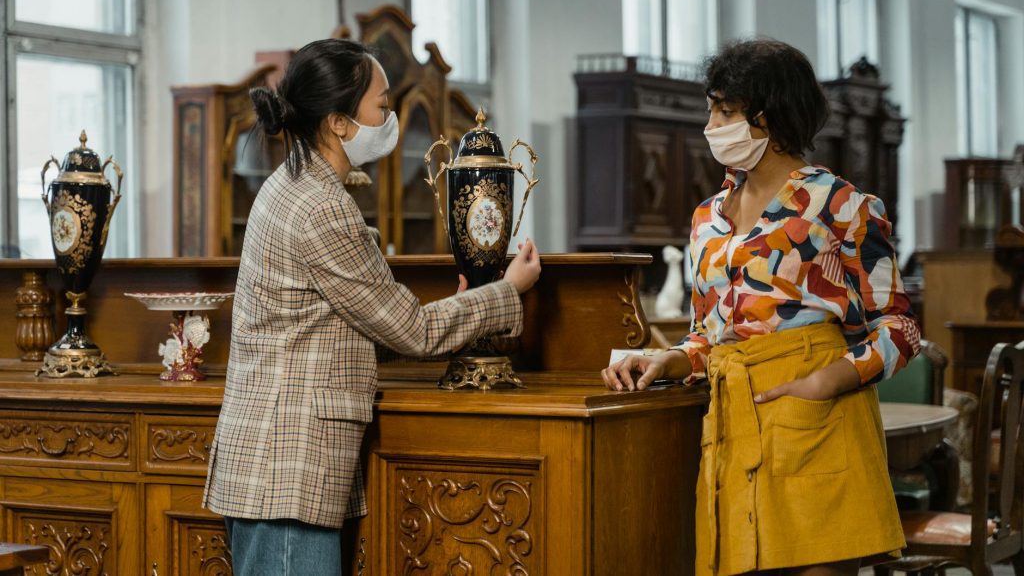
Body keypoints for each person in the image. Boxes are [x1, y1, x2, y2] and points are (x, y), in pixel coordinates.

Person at [203, 38, 541, 575]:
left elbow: (362, 319)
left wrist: (463, 306)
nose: (390, 117)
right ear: (338, 123)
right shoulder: (322, 208)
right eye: (381, 106)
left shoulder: (289, 185)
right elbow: (412, 332)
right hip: (287, 470)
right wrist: (506, 290)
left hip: (274, 468)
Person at [601, 38, 920, 576]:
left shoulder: (840, 206)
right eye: (712, 107)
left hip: (819, 424)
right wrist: (667, 360)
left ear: (768, 118)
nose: (710, 122)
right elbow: (710, 334)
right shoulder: (708, 218)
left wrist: (830, 380)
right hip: (733, 430)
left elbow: (900, 326)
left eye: (724, 109)